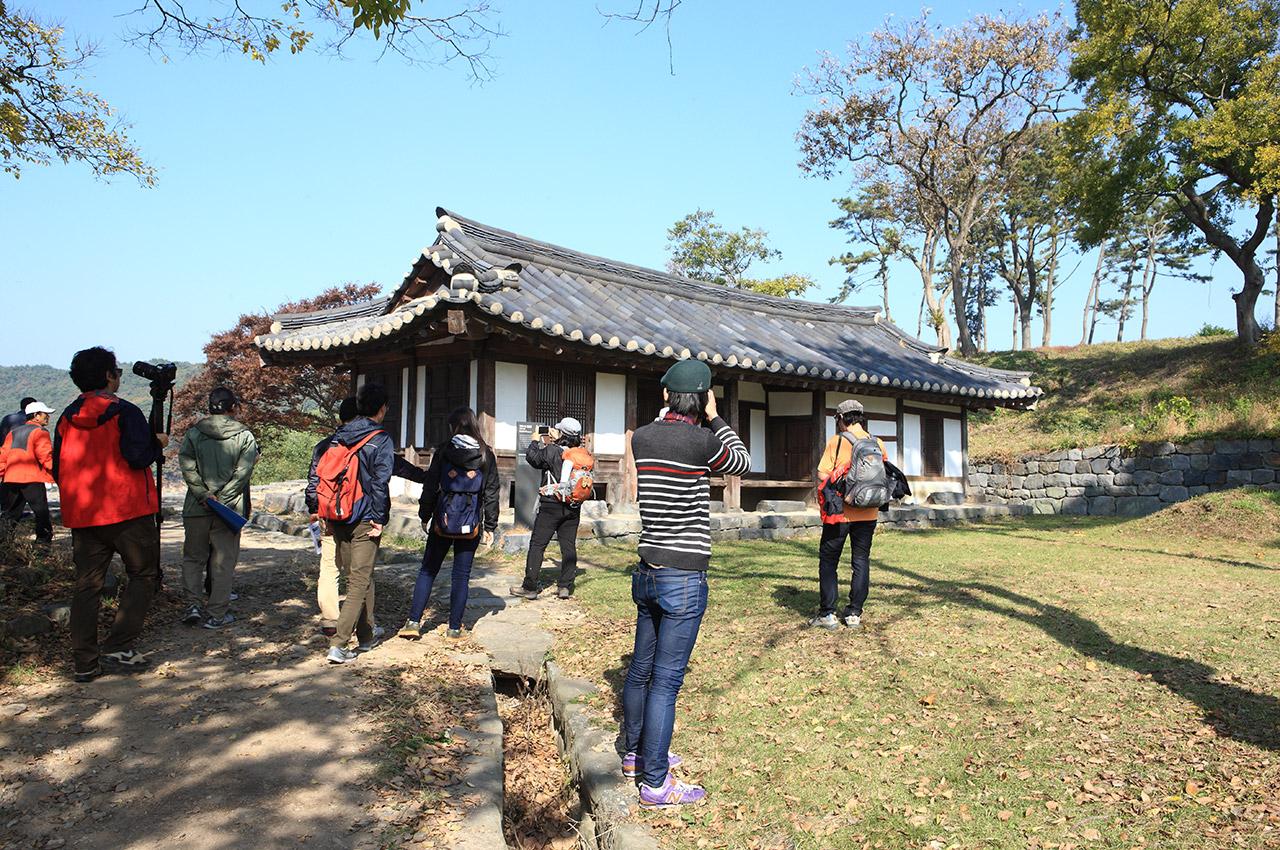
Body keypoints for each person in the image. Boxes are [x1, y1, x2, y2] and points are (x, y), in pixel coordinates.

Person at [622, 359, 750, 809]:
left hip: (648, 567)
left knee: (641, 669)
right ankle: (656, 782)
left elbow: (663, 428)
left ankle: (635, 755)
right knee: (666, 682)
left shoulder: (642, 437)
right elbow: (742, 461)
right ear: (703, 398)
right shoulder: (703, 442)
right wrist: (714, 415)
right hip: (685, 571)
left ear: (664, 396)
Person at [52, 347, 167, 683]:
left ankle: (84, 662)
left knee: (87, 584)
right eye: (116, 371)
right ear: (108, 376)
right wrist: (157, 444)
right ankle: (119, 646)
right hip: (127, 510)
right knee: (143, 575)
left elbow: (59, 467)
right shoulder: (124, 412)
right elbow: (136, 457)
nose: (118, 375)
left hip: (84, 515)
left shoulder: (66, 418)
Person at [306, 395, 427, 638]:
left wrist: (314, 509)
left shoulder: (326, 444)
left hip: (328, 513)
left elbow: (313, 481)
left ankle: (330, 619)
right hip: (360, 514)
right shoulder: (372, 440)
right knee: (361, 573)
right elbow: (395, 468)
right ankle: (366, 624)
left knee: (329, 567)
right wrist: (429, 477)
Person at [399, 406, 499, 641]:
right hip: (471, 523)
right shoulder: (486, 455)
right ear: (474, 425)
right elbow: (492, 493)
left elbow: (431, 485)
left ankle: (413, 622)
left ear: (453, 427)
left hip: (441, 522)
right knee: (461, 575)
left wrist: (425, 515)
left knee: (428, 570)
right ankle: (454, 629)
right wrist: (490, 526)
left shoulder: (443, 451)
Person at [323, 383, 394, 664]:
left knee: (355, 578)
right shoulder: (380, 438)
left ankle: (365, 638)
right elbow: (380, 482)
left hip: (338, 514)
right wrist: (379, 518)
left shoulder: (339, 436)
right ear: (381, 408)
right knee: (359, 582)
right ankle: (338, 644)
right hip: (364, 517)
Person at [177, 387, 258, 630]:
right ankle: (216, 614)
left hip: (196, 506)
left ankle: (192, 605)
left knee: (193, 558)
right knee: (223, 562)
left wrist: (204, 494)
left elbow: (187, 466)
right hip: (229, 511)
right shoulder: (245, 436)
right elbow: (242, 473)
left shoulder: (193, 434)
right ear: (233, 407)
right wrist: (222, 499)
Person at [811, 399, 888, 631]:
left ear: (842, 419)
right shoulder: (878, 442)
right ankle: (854, 613)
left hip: (841, 513)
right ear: (861, 418)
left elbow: (823, 475)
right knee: (861, 560)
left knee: (829, 560)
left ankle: (828, 614)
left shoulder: (836, 442)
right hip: (869, 511)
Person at [510, 416, 585, 601]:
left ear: (561, 434)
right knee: (568, 546)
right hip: (573, 506)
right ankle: (564, 587)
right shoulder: (581, 453)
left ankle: (530, 588)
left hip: (551, 506)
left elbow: (533, 458)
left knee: (537, 545)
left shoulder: (552, 450)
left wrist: (536, 441)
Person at [0, 401, 56, 545]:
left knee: (10, 514)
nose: (48, 418)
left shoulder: (13, 433)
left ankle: (4, 543)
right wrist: (58, 473)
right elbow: (46, 457)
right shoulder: (40, 432)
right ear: (36, 416)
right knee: (41, 513)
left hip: (10, 478)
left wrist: (1, 474)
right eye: (45, 414)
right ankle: (43, 545)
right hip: (31, 478)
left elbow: (3, 456)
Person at [0, 397, 36, 516]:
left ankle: (8, 516)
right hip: (29, 464)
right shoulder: (33, 423)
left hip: (9, 462)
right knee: (37, 500)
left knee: (9, 493)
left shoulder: (8, 419)